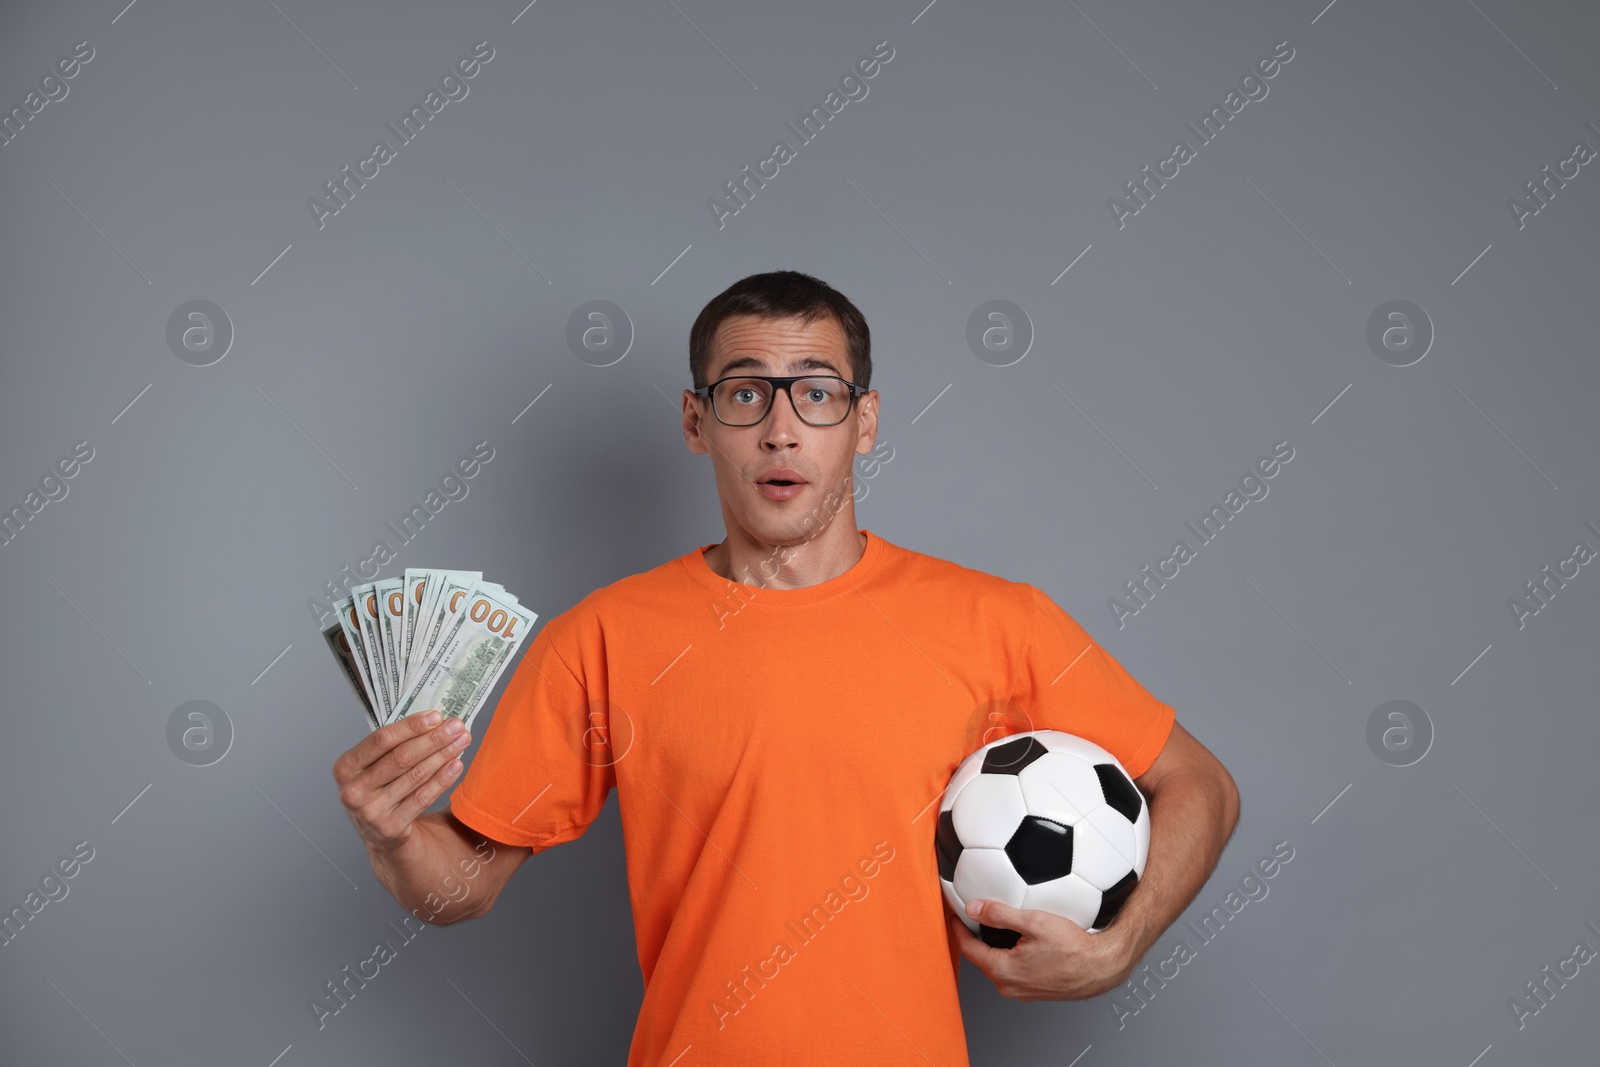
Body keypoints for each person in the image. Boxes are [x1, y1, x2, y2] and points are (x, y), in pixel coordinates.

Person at [332, 270, 1241, 1065]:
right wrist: (395, 839)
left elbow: (1201, 784)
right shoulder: (602, 635)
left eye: (816, 393)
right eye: (744, 394)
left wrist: (1125, 942)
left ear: (866, 420)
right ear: (696, 420)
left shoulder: (997, 621)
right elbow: (464, 887)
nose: (779, 429)